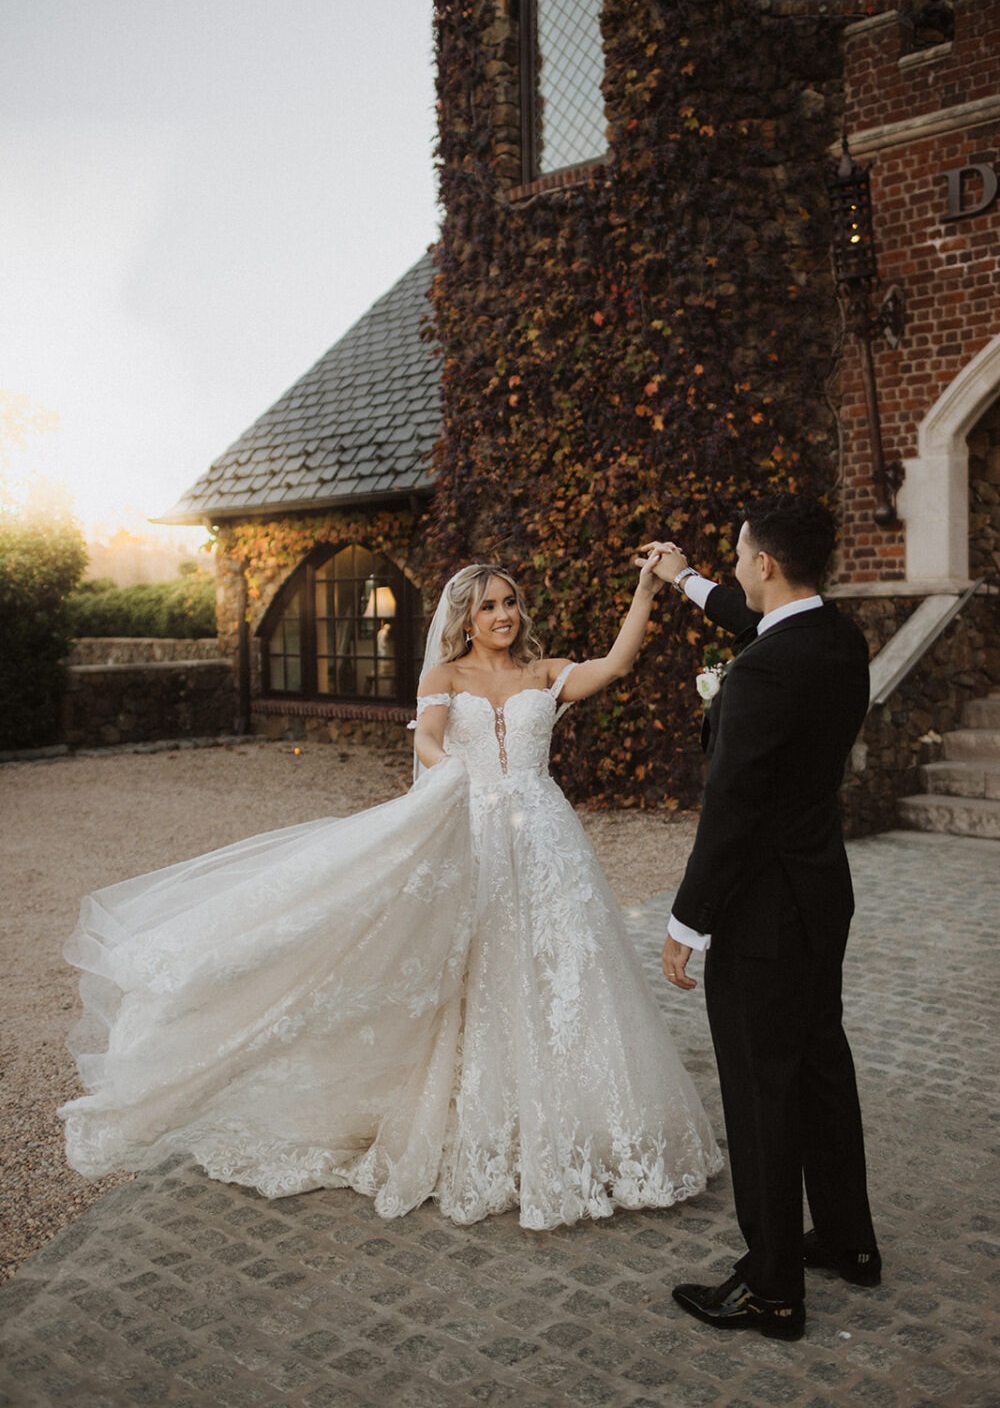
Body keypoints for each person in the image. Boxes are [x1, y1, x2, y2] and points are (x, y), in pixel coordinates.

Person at [60, 558, 721, 1231]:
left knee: (567, 968)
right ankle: (475, 1112)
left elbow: (612, 665)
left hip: (548, 840)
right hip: (472, 828)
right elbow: (431, 742)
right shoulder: (443, 677)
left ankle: (582, 1120)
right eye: (490, 606)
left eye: (511, 604)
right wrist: (452, 778)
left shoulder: (543, 672)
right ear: (465, 616)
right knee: (478, 968)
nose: (503, 616)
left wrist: (644, 590)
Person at [641, 493, 880, 1341]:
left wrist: (687, 920)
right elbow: (756, 618)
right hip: (823, 892)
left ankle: (774, 1286)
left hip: (764, 914)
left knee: (760, 1087)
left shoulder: (761, 673)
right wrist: (687, 581)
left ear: (767, 564)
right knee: (820, 1064)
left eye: (740, 555)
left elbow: (731, 811)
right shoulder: (839, 639)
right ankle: (849, 1242)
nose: (737, 565)